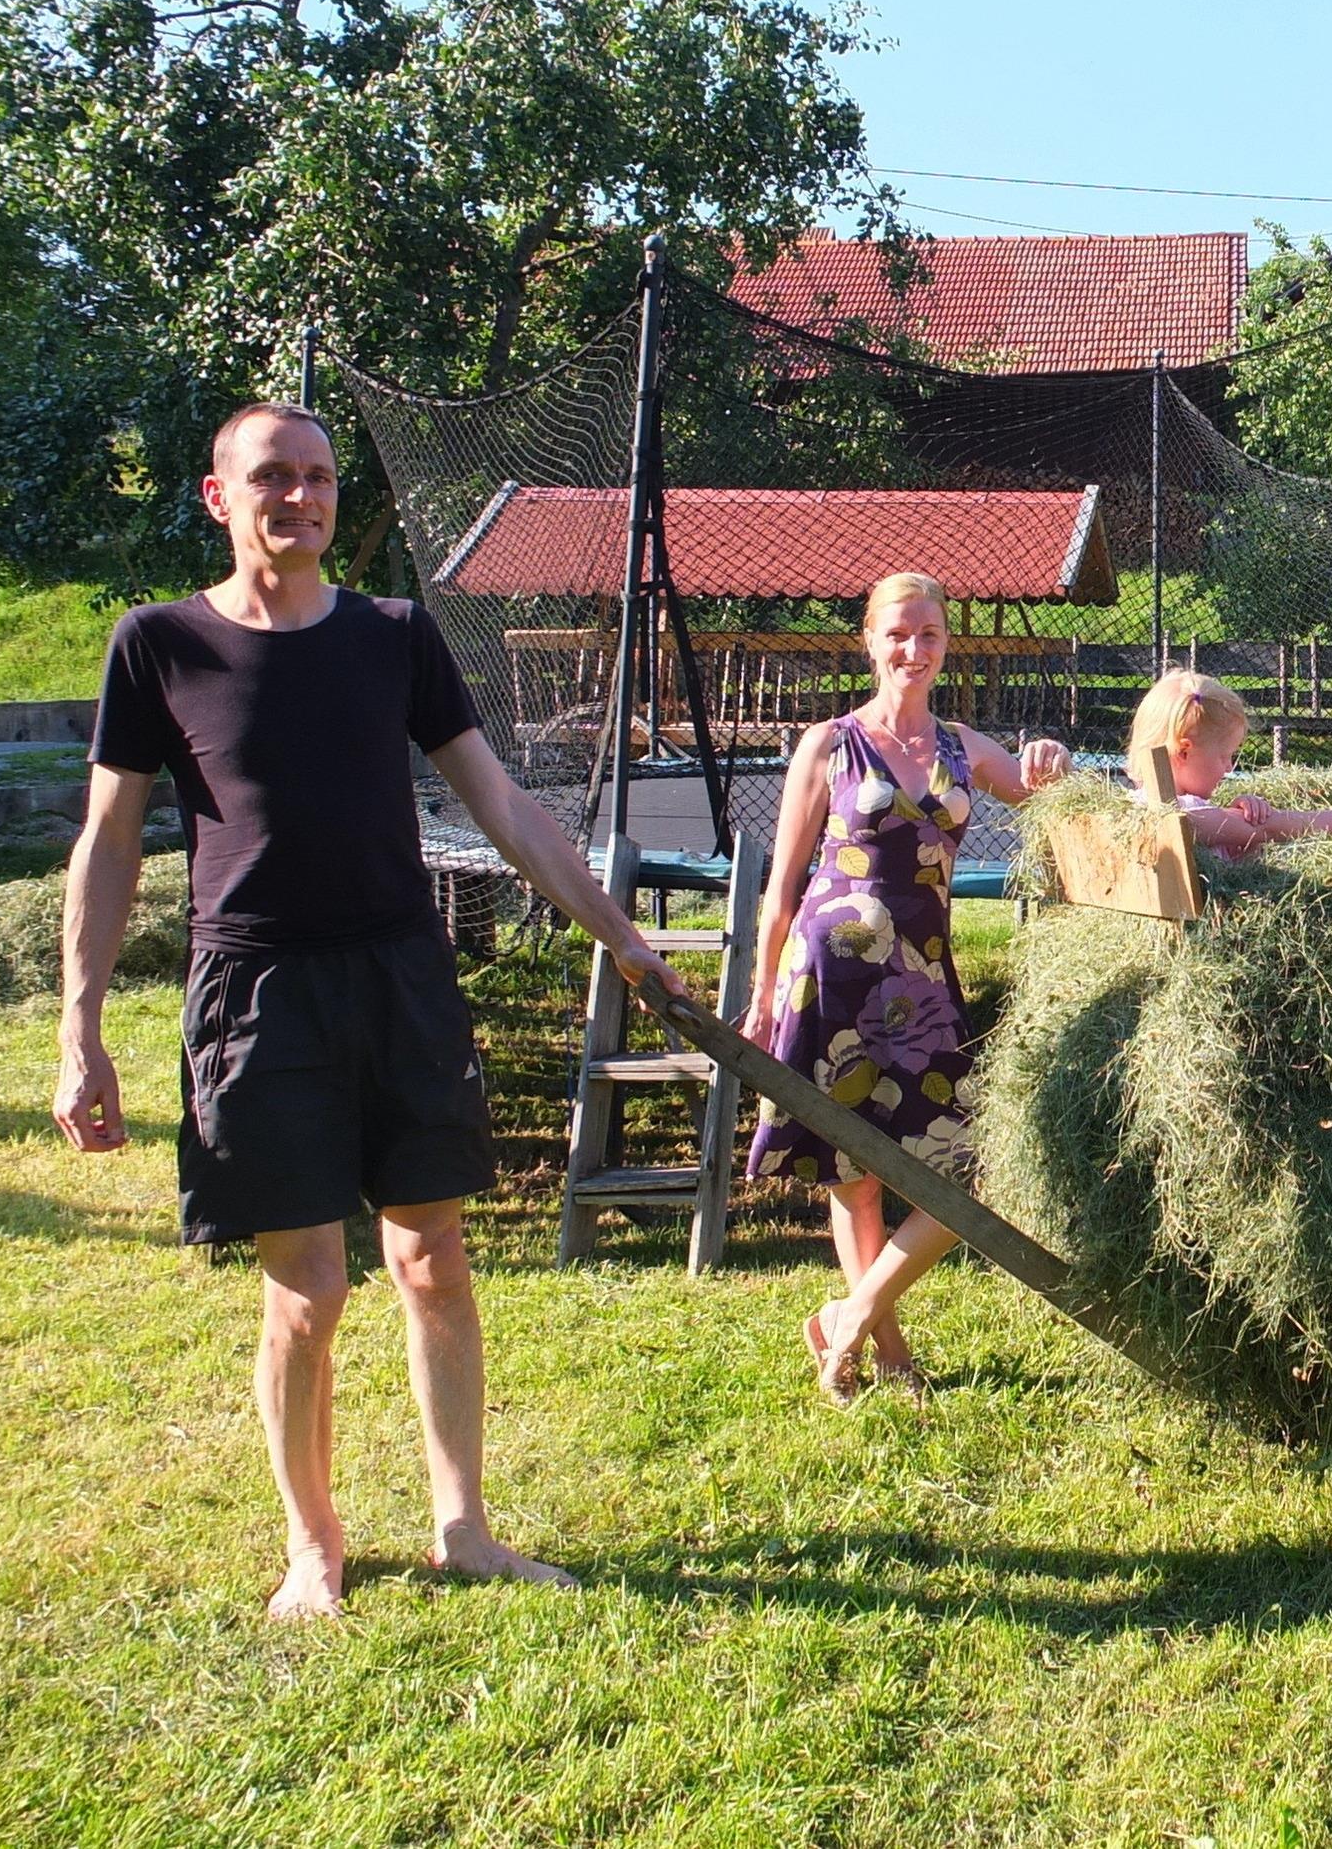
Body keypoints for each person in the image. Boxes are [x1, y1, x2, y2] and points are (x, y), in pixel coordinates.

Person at [56, 402, 686, 1621]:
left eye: (319, 477)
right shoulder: (159, 644)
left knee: (431, 1259)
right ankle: (314, 1544)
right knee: (307, 1290)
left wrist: (620, 937)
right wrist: (79, 1030)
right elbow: (111, 838)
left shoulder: (394, 635)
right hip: (255, 994)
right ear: (219, 496)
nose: (300, 497)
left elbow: (500, 803)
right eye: (272, 478)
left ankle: (465, 1529)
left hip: (401, 977)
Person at [740, 570, 1070, 1405]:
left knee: (969, 1164)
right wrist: (762, 996)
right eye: (897, 634)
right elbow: (781, 889)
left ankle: (847, 1316)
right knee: (854, 1172)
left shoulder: (963, 747)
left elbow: (1051, 799)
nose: (913, 650)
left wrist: (1054, 757)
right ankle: (886, 1356)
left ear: (947, 644)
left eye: (929, 635)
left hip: (922, 977)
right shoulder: (830, 743)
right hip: (829, 977)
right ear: (869, 641)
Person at [1125, 670, 1332, 852]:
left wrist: (1236, 812)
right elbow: (1267, 830)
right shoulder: (1181, 817)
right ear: (1184, 752)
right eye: (1224, 756)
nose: (1229, 767)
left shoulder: (1134, 807)